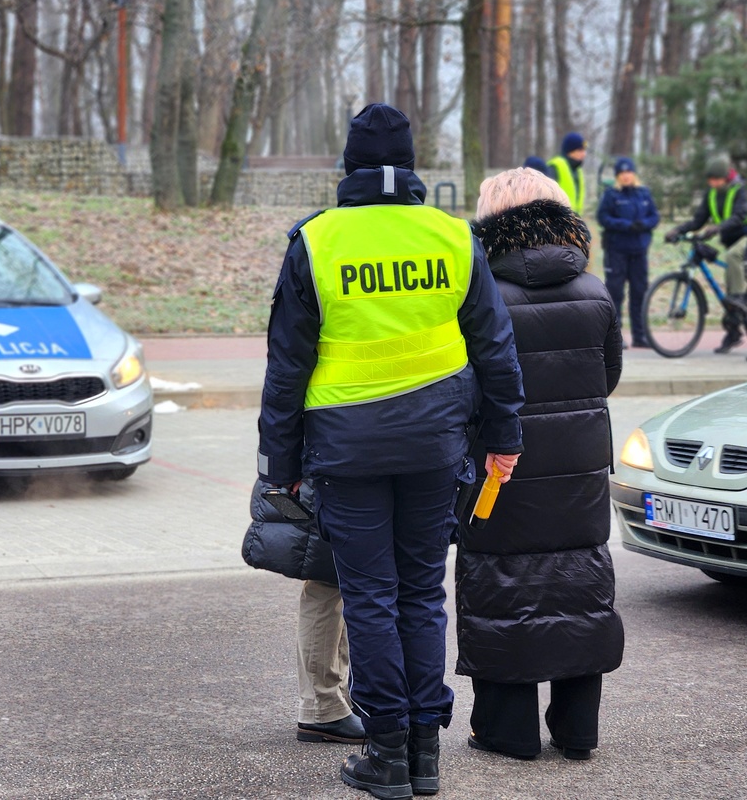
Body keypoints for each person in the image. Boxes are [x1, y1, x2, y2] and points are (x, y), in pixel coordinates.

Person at [257, 103, 525, 799]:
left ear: (347, 165)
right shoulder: (452, 236)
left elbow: (287, 365)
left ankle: (387, 754)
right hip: (436, 445)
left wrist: (279, 466)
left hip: (346, 450)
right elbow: (495, 348)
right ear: (411, 165)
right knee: (421, 594)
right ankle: (426, 754)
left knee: (370, 597)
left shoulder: (317, 240)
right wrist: (504, 438)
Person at [458, 168, 625, 763]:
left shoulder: (480, 296)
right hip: (579, 463)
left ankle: (508, 729)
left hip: (502, 466)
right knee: (580, 579)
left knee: (501, 579)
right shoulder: (596, 291)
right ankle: (577, 729)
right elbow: (607, 376)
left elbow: (468, 387)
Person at [241, 478, 365, 745]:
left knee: (338, 582)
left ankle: (333, 699)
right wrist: (283, 475)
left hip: (335, 473)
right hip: (324, 477)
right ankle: (322, 707)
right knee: (327, 582)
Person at [665, 155, 747, 353]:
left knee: (733, 258)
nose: (712, 183)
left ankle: (739, 298)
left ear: (726, 177)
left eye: (716, 179)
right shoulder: (711, 194)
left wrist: (718, 228)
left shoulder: (740, 190)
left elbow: (739, 216)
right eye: (710, 179)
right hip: (731, 242)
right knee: (730, 287)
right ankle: (733, 332)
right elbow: (698, 220)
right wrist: (678, 230)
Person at [596, 156, 659, 347]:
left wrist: (643, 224)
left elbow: (654, 216)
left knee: (639, 292)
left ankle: (640, 336)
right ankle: (616, 338)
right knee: (615, 293)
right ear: (617, 175)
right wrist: (625, 225)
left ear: (634, 174)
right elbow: (603, 217)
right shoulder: (611, 195)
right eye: (622, 173)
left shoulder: (643, 194)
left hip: (639, 252)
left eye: (629, 172)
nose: (626, 176)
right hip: (617, 251)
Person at [546, 132, 587, 215]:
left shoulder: (577, 170)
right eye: (580, 150)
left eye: (584, 150)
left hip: (573, 219)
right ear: (570, 151)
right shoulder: (555, 167)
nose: (584, 154)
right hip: (558, 218)